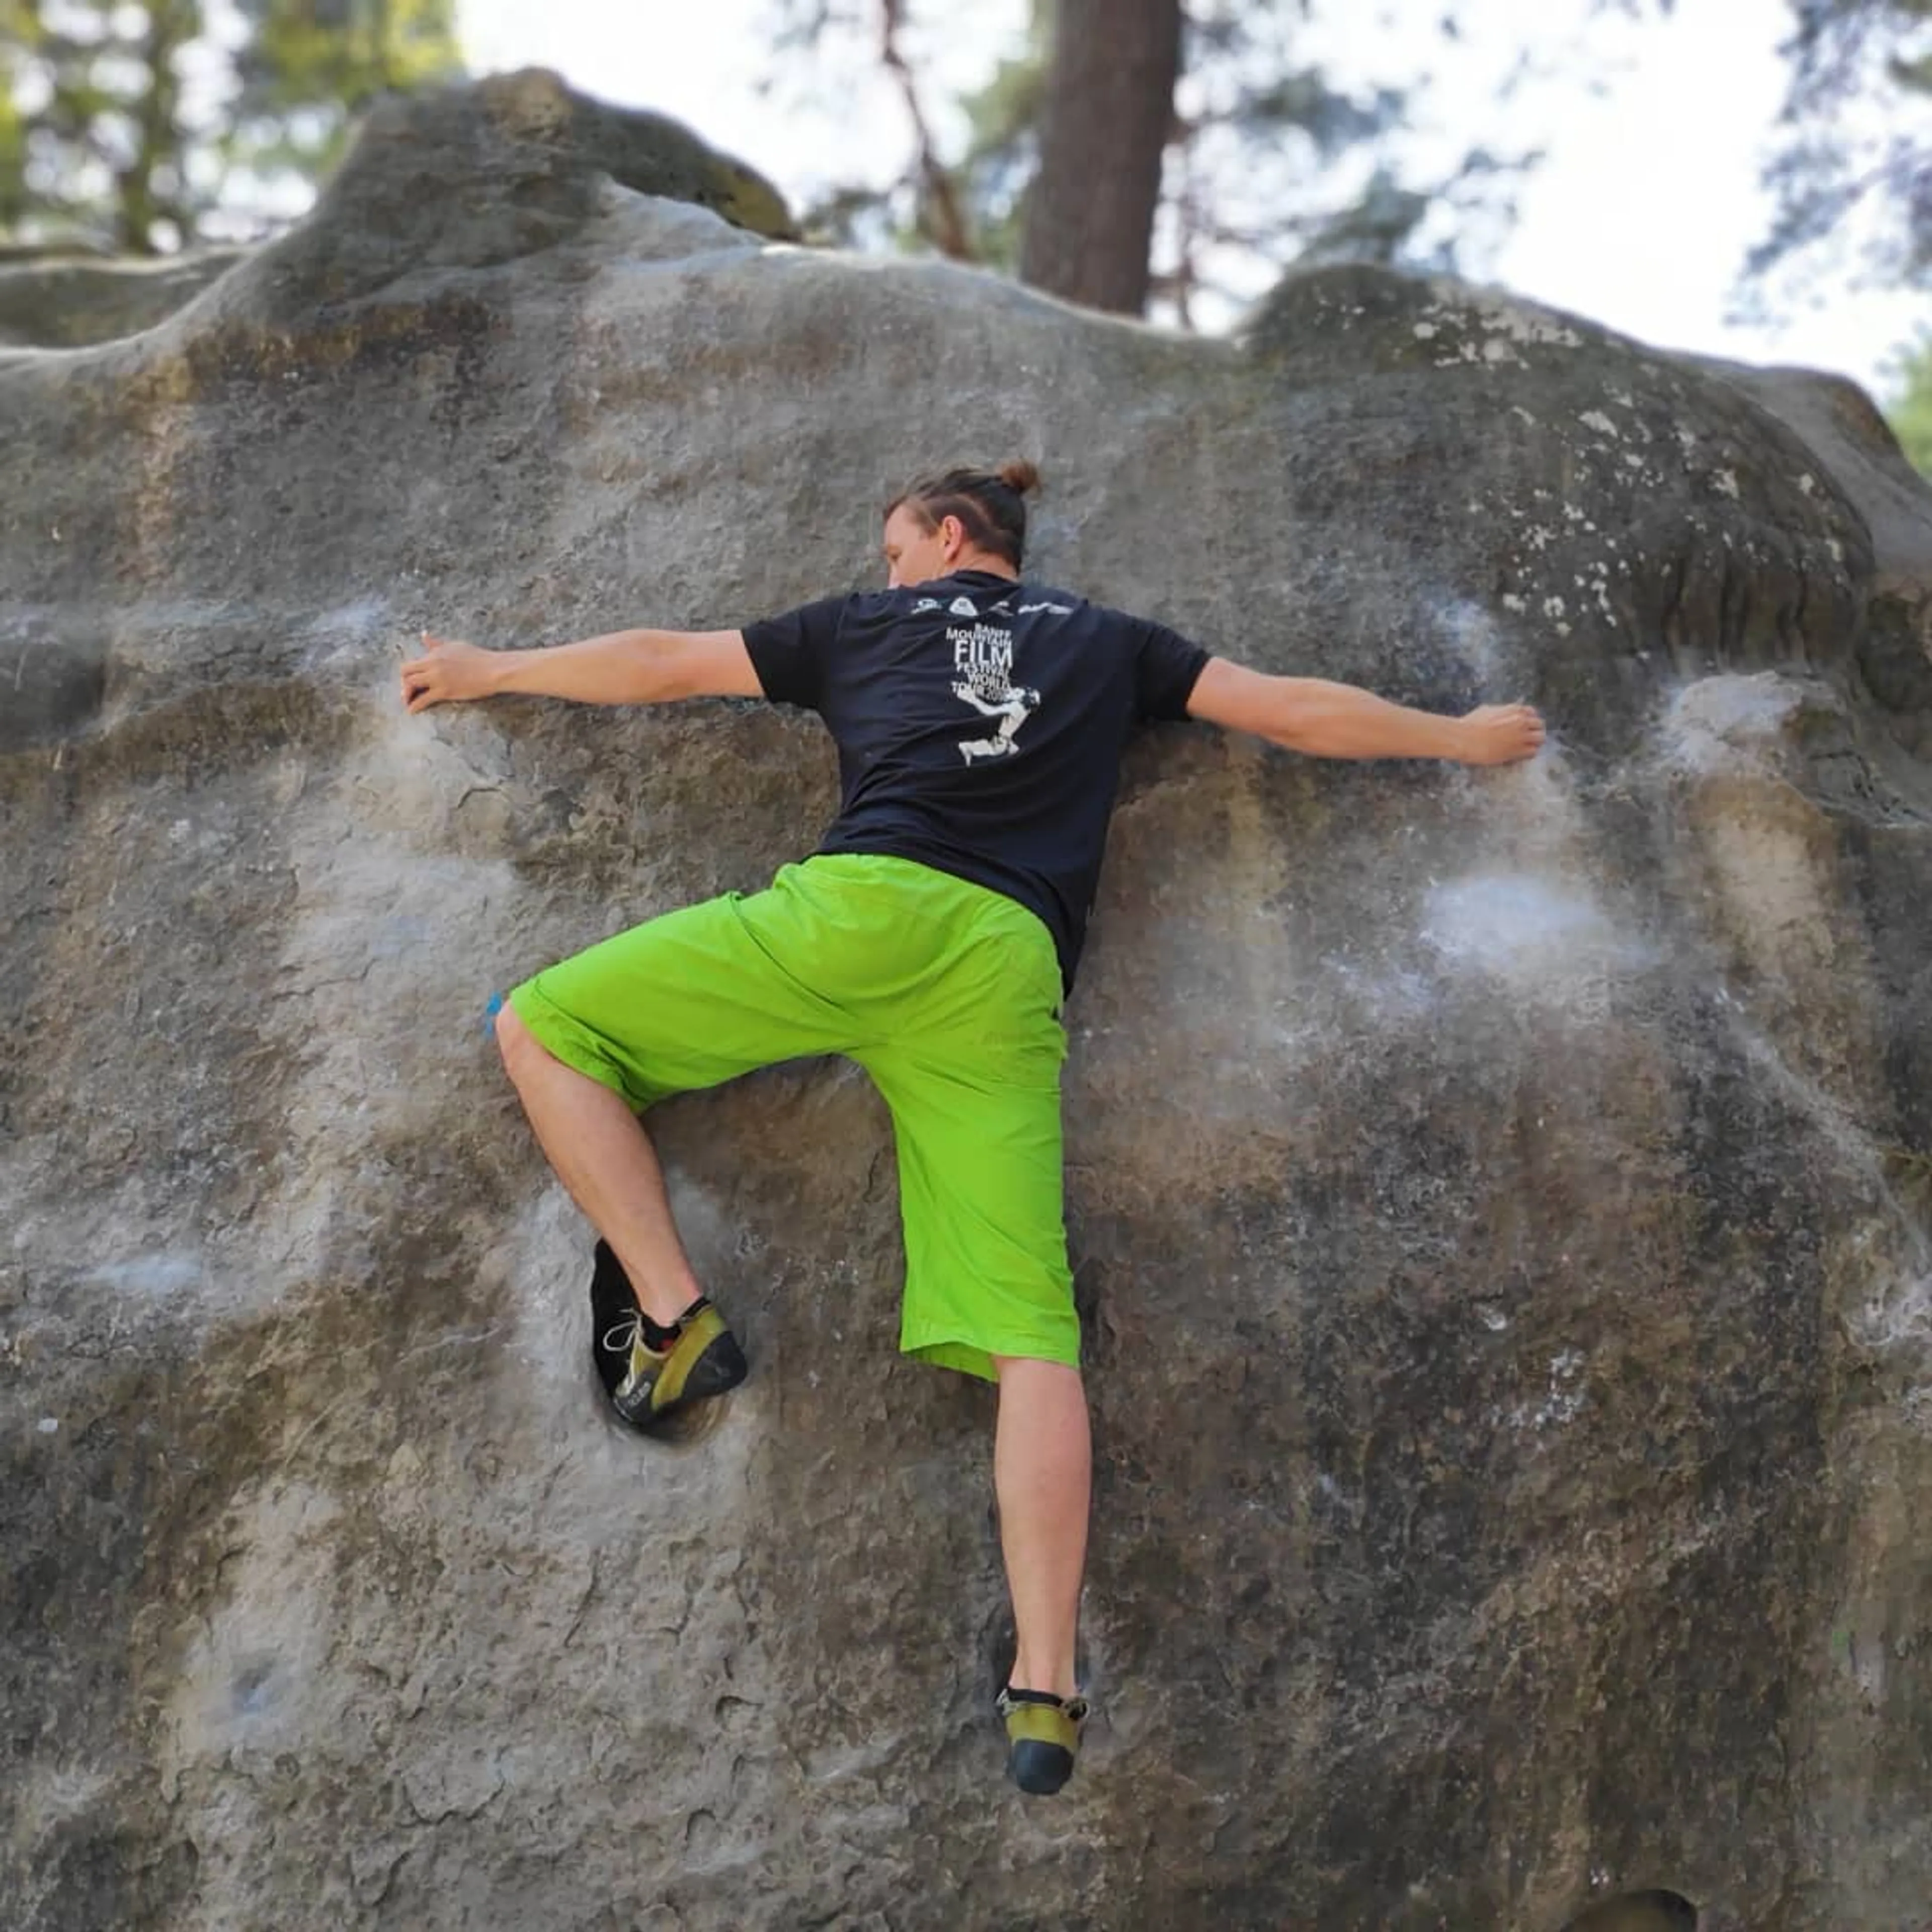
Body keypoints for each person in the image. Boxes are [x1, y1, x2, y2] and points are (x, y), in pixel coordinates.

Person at [400, 460, 1545, 1797]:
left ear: (949, 538)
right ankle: (1045, 1686)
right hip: (1004, 969)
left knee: (542, 1029)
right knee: (1031, 1337)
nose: (887, 572)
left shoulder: (866, 625)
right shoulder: (1112, 644)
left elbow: (664, 662)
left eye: (895, 550)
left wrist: (490, 670)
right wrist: (1463, 738)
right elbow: (1288, 708)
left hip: (862, 911)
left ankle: (674, 1314)